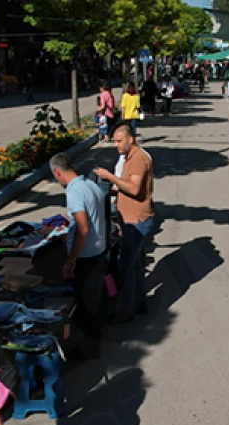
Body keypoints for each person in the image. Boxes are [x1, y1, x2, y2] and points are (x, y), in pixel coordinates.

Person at [94, 124, 154, 323]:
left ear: (131, 139)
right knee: (135, 265)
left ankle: (126, 312)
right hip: (130, 218)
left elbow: (135, 189)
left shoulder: (138, 159)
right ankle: (140, 303)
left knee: (126, 266)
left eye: (119, 141)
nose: (116, 145)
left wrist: (110, 177)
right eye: (114, 141)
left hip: (136, 220)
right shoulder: (128, 157)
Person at [50, 153, 107, 358]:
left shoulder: (74, 192)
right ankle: (95, 337)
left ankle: (89, 350)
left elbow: (83, 228)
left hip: (87, 256)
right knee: (93, 300)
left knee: (82, 306)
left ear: (58, 173)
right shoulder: (90, 185)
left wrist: (71, 260)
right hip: (99, 250)